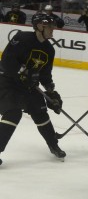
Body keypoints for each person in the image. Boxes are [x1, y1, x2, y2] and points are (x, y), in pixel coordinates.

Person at [0, 13, 65, 166]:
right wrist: (23, 72)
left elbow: (45, 75)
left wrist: (51, 92)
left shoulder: (49, 49)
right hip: (8, 83)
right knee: (13, 113)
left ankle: (53, 144)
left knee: (41, 112)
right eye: (49, 26)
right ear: (39, 26)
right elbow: (6, 61)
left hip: (28, 86)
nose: (52, 29)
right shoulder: (22, 38)